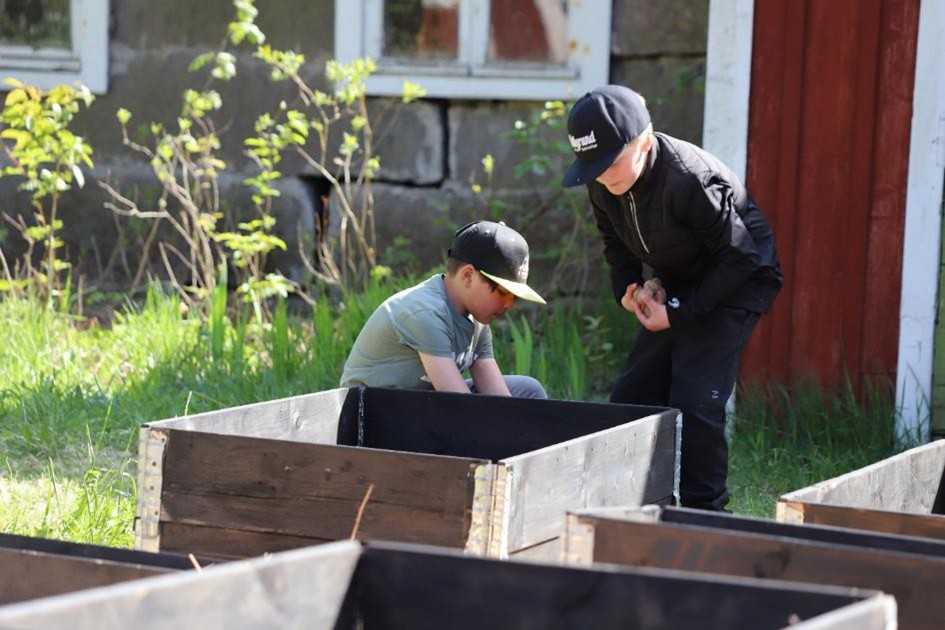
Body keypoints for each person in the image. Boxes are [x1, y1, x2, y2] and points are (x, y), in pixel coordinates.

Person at [561, 85, 783, 511]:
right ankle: (630, 504)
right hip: (681, 276)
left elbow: (741, 258)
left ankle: (705, 515)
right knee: (634, 393)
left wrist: (677, 313)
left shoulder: (689, 179)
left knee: (695, 400)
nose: (603, 175)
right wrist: (630, 289)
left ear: (644, 141)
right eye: (593, 167)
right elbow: (615, 241)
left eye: (611, 162)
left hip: (739, 278)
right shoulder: (603, 180)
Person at [340, 220, 549, 398]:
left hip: (422, 404)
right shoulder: (426, 313)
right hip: (374, 412)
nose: (509, 304)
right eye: (503, 292)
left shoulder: (477, 322)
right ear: (468, 276)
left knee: (528, 391)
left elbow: (498, 398)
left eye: (515, 297)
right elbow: (460, 407)